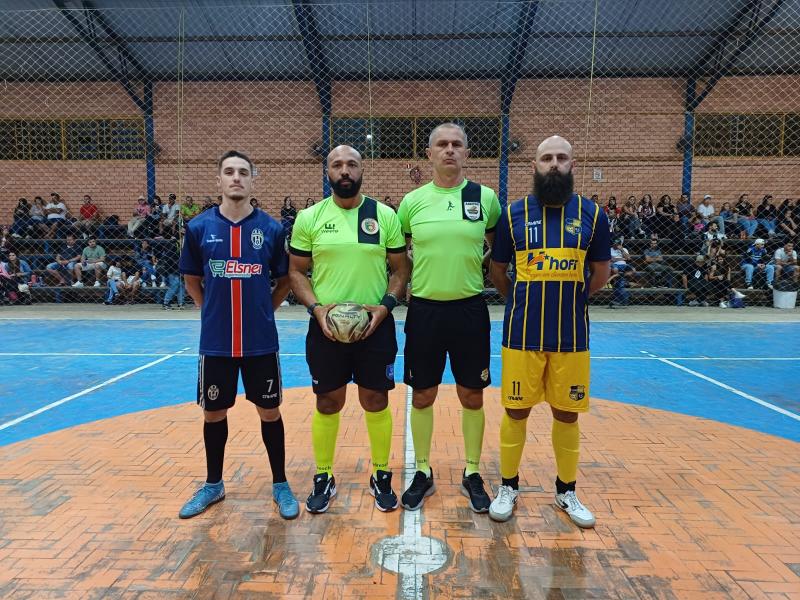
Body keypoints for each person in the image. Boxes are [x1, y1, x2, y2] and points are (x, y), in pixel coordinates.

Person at [487, 135, 610, 526]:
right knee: (515, 410)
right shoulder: (513, 214)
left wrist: (574, 298)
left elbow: (601, 273)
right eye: (546, 158)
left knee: (567, 414)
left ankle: (566, 491)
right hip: (522, 333)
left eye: (561, 157)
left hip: (571, 335)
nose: (554, 164)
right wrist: (520, 300)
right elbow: (498, 272)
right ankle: (508, 486)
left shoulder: (593, 215)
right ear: (534, 166)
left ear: (573, 164)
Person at [177, 150, 298, 520]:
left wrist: (265, 310)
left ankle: (280, 483)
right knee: (214, 412)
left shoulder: (271, 229)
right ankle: (213, 484)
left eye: (243, 172)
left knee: (270, 411)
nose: (236, 178)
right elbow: (191, 279)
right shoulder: (199, 227)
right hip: (216, 342)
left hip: (260, 341)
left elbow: (284, 280)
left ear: (252, 180)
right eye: (229, 171)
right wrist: (209, 309)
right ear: (218, 180)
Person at [288, 145, 409, 514]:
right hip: (326, 328)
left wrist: (385, 307)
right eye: (337, 165)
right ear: (327, 172)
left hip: (375, 326)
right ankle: (324, 474)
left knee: (376, 400)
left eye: (351, 164)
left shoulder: (384, 215)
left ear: (362, 170)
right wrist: (317, 309)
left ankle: (381, 473)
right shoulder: (309, 217)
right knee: (328, 401)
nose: (345, 171)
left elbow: (401, 270)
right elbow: (296, 272)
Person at [397, 122, 501, 513]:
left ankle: (472, 471)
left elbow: (497, 252)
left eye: (457, 144)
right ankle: (422, 471)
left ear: (467, 153)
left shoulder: (485, 198)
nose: (450, 150)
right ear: (429, 153)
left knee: (471, 394)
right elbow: (399, 255)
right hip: (425, 310)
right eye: (442, 144)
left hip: (469, 309)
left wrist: (478, 268)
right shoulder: (412, 202)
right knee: (423, 393)